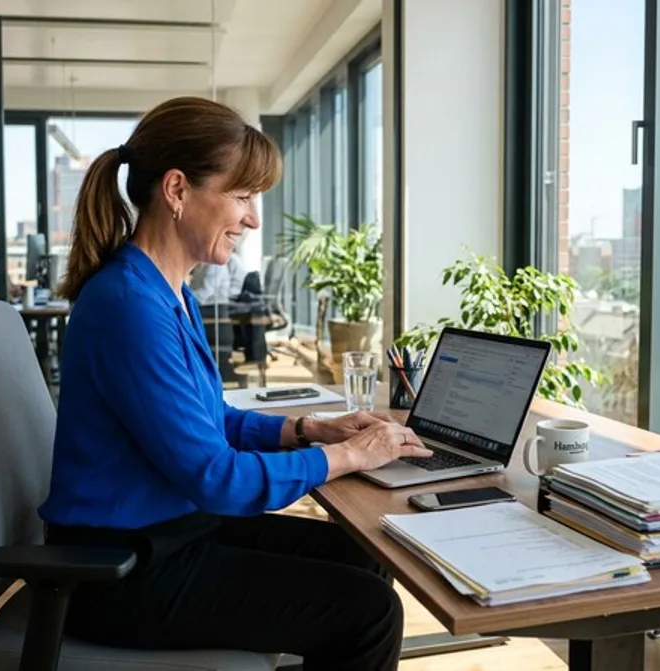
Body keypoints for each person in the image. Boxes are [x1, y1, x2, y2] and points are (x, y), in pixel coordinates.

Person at [39, 96, 431, 671]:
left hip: (169, 532)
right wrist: (347, 455)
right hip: (121, 571)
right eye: (242, 197)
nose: (252, 218)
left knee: (359, 555)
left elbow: (209, 421)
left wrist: (309, 429)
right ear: (177, 191)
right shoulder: (129, 305)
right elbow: (217, 477)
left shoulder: (167, 291)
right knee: (367, 611)